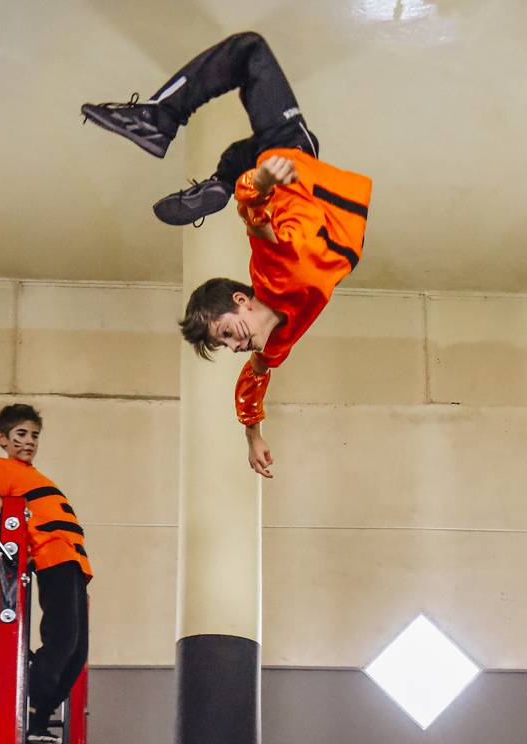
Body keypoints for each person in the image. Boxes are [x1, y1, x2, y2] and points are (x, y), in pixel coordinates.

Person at [81, 33, 372, 478]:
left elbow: (254, 218)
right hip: (318, 196)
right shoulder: (277, 341)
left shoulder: (272, 275)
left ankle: (163, 121)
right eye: (228, 343)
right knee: (240, 152)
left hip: (289, 165)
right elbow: (252, 383)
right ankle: (218, 179)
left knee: (249, 51)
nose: (236, 347)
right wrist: (253, 437)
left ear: (242, 300)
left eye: (228, 334)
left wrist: (262, 183)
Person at [0, 405, 92, 744]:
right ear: (2, 438)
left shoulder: (39, 476)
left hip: (74, 562)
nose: (29, 442)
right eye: (21, 434)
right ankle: (33, 715)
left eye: (34, 436)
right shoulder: (1, 467)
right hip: (52, 560)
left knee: (77, 652)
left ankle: (39, 720)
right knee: (61, 640)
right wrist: (7, 553)